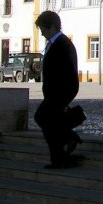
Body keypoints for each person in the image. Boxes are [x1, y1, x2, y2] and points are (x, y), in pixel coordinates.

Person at [33, 10, 83, 169]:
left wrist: (61, 96)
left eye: (43, 30)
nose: (42, 34)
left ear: (52, 27)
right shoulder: (56, 43)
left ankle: (64, 148)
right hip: (54, 92)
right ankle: (62, 153)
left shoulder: (63, 44)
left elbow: (68, 72)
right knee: (49, 122)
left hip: (60, 92)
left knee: (42, 117)